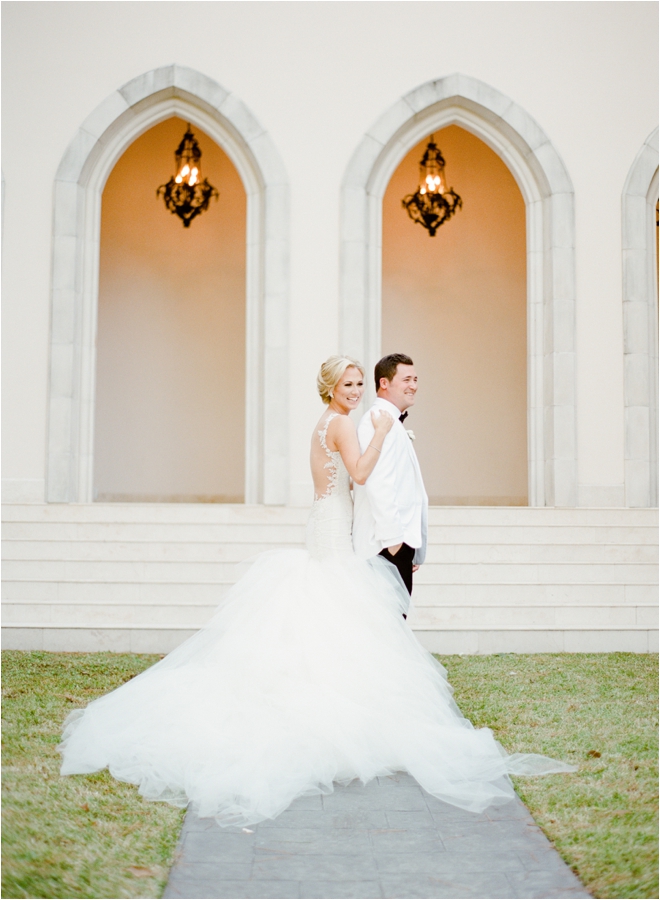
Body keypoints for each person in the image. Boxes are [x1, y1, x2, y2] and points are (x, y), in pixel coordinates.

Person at [59, 355, 575, 827]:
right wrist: (381, 429)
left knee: (324, 622)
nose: (354, 391)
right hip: (332, 528)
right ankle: (329, 726)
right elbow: (361, 472)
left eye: (357, 384)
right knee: (336, 618)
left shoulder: (325, 423)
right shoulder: (347, 423)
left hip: (326, 520)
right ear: (333, 388)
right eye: (348, 384)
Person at [353, 353, 427, 605]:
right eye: (406, 379)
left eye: (416, 379)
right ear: (384, 383)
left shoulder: (392, 422)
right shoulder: (376, 421)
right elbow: (378, 483)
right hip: (386, 545)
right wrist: (395, 542)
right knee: (391, 624)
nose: (414, 385)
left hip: (398, 543)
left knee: (396, 623)